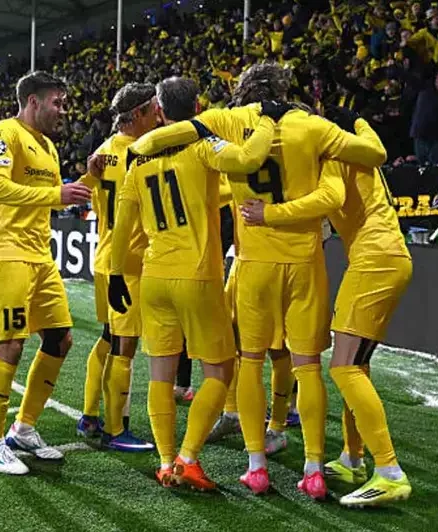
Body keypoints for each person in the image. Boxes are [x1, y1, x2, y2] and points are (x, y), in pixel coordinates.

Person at [128, 63, 388, 498]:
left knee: (249, 362)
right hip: (304, 261)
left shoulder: (226, 120)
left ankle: (256, 467)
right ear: (285, 89)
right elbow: (374, 156)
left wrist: (138, 146)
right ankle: (313, 469)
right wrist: (360, 122)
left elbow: (167, 136)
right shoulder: (313, 125)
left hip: (252, 263)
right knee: (307, 366)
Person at [108, 76, 284, 490]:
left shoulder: (138, 159)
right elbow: (248, 159)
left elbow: (122, 226)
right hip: (197, 276)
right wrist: (268, 121)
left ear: (160, 111)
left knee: (160, 375)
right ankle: (187, 458)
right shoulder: (202, 145)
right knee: (220, 372)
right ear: (199, 107)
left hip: (153, 277)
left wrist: (116, 273)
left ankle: (165, 461)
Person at [240, 109, 413, 507]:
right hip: (386, 256)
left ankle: (389, 472)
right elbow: (373, 148)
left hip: (374, 261)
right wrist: (360, 121)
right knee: (358, 365)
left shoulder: (334, 155)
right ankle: (353, 458)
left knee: (344, 366)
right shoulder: (360, 146)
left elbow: (330, 198)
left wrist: (269, 213)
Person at [0, 71, 92, 475]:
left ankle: (23, 429)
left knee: (60, 340)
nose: (63, 110)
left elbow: (55, 198)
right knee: (11, 345)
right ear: (32, 101)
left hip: (41, 257)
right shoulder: (3, 134)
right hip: (7, 254)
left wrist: (88, 179)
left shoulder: (48, 146)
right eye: (56, 102)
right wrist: (57, 193)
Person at [74, 83, 160, 452]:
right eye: (153, 109)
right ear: (138, 114)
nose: (158, 115)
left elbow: (84, 187)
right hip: (128, 263)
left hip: (104, 258)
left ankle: (90, 415)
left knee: (109, 337)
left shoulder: (105, 150)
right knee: (125, 346)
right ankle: (115, 429)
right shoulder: (143, 153)